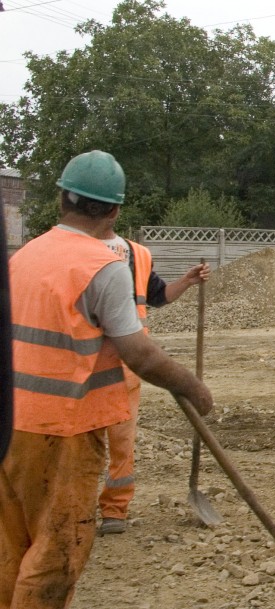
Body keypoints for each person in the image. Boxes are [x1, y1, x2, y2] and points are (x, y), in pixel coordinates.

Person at [0, 150, 213, 608]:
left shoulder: (26, 255)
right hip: (62, 428)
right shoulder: (102, 266)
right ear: (115, 209)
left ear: (62, 199)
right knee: (57, 552)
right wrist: (191, 386)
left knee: (11, 546)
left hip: (9, 422)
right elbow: (138, 352)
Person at [97, 230, 210, 536]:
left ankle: (109, 511)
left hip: (109, 363)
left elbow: (158, 296)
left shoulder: (136, 254)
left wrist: (187, 281)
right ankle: (111, 512)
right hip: (126, 361)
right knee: (119, 441)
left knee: (104, 441)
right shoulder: (132, 252)